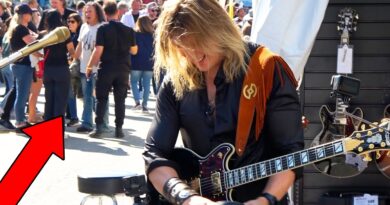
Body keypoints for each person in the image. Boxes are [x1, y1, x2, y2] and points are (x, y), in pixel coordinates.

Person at [143, 0, 304, 205]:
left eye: (197, 44)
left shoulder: (266, 69)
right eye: (182, 48)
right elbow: (154, 153)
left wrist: (265, 200)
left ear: (217, 28)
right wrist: (187, 198)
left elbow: (290, 152)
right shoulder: (176, 80)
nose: (192, 56)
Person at [86, 1, 137, 138]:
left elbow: (98, 50)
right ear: (117, 12)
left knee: (101, 99)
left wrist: (90, 66)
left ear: (104, 13)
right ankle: (119, 129)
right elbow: (134, 50)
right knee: (120, 100)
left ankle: (99, 128)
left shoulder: (103, 29)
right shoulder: (129, 30)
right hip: (123, 69)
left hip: (107, 68)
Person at [7, 4, 42, 130]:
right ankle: (20, 122)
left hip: (19, 64)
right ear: (25, 15)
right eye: (30, 13)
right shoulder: (21, 28)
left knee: (20, 94)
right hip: (22, 65)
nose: (31, 15)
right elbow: (32, 46)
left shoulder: (20, 27)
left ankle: (19, 120)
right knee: (22, 95)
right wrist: (40, 55)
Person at [74, 1, 106, 133]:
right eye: (85, 12)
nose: (86, 14)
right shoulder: (83, 27)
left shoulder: (103, 27)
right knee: (87, 97)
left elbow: (103, 49)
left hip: (97, 69)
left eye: (90, 11)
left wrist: (94, 65)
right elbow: (80, 45)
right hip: (83, 67)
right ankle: (87, 123)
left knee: (99, 97)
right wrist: (74, 59)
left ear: (97, 12)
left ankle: (102, 123)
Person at [42, 9, 75, 121]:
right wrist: (73, 58)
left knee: (49, 100)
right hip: (61, 68)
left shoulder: (43, 35)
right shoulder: (64, 34)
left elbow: (35, 51)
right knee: (60, 101)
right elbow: (71, 50)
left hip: (47, 70)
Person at [130, 15, 154, 113]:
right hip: (149, 63)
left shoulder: (134, 34)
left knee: (134, 82)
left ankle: (137, 102)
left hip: (136, 62)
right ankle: (145, 105)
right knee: (147, 85)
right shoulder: (154, 35)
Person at [66, 13, 82, 126]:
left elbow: (75, 53)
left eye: (72, 22)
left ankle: (74, 117)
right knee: (73, 93)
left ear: (78, 22)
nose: (69, 24)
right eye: (68, 21)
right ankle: (73, 116)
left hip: (80, 67)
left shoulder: (78, 36)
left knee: (86, 95)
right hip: (76, 67)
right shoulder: (73, 35)